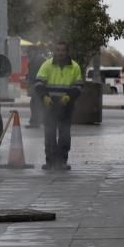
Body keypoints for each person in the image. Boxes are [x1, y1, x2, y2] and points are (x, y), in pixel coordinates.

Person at [34, 40, 84, 171]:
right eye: (58, 50)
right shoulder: (47, 65)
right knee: (50, 134)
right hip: (49, 105)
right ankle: (50, 162)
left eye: (63, 50)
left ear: (67, 52)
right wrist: (44, 96)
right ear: (54, 51)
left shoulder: (75, 67)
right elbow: (38, 83)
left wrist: (69, 97)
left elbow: (78, 86)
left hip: (66, 105)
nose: (60, 53)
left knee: (65, 135)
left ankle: (62, 161)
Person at [26, 46, 46, 128]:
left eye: (28, 52)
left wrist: (31, 83)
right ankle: (37, 120)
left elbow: (34, 74)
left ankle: (36, 121)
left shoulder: (37, 60)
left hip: (37, 84)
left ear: (33, 50)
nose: (27, 54)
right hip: (37, 84)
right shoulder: (37, 59)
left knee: (35, 103)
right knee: (35, 103)